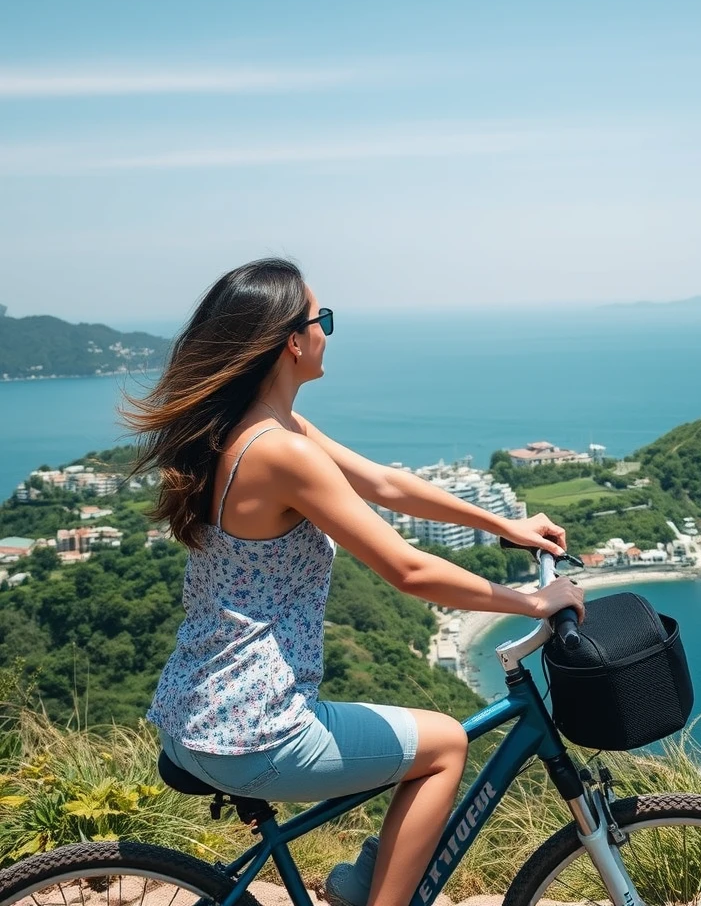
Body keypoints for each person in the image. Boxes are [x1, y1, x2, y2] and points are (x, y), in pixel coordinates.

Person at [124, 258, 584, 906]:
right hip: (257, 728)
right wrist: (533, 600)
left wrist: (504, 524)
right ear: (292, 340)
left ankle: (365, 883)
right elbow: (407, 569)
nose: (328, 333)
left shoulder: (254, 428)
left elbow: (386, 485)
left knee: (432, 742)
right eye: (323, 320)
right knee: (448, 745)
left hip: (196, 711)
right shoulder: (280, 451)